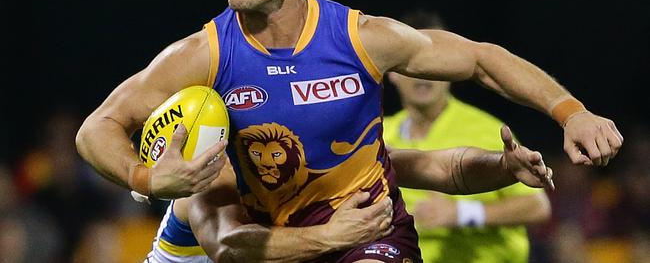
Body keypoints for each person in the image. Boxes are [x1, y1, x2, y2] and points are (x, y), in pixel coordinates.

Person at [75, 0, 622, 262]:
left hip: (368, 233)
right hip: (261, 240)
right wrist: (146, 179)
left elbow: (479, 60)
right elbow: (98, 128)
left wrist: (571, 113)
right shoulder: (204, 58)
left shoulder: (360, 38)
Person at [147, 126, 553, 263]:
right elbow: (229, 246)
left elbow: (433, 166)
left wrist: (503, 168)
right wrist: (331, 236)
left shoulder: (308, 162)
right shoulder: (212, 180)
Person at [384, 12, 552, 262]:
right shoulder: (379, 133)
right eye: (411, 63)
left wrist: (462, 213)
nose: (423, 76)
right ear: (392, 71)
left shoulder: (486, 129)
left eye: (432, 61)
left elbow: (537, 207)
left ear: (449, 68)